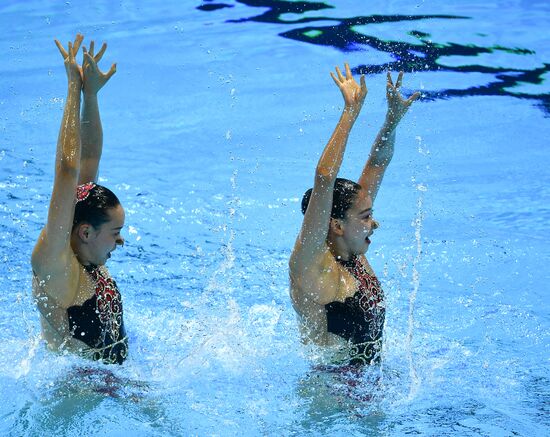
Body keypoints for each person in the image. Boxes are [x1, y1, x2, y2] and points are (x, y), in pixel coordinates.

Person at [289, 63, 420, 366]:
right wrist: (350, 112)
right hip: (331, 400)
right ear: (335, 225)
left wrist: (391, 121)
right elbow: (324, 178)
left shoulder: (354, 251)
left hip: (368, 391)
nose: (374, 223)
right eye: (364, 217)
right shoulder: (310, 265)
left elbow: (377, 164)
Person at [31, 34, 128, 364]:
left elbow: (88, 160)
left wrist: (91, 95)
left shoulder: (83, 236)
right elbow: (68, 169)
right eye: (115, 233)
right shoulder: (55, 265)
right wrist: (73, 88)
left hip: (115, 385)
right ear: (86, 232)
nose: (121, 241)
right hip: (79, 395)